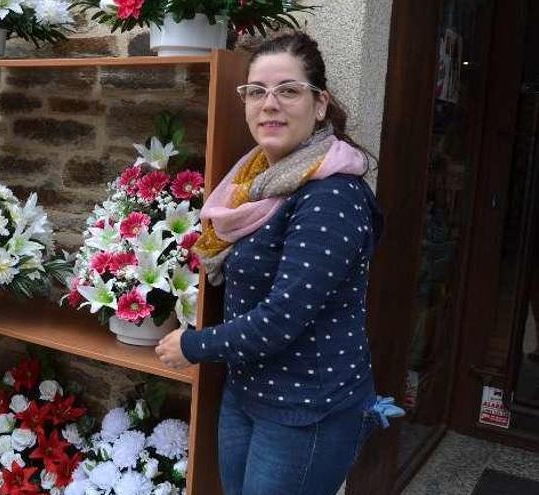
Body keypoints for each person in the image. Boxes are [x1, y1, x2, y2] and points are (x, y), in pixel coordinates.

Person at [155, 32, 401, 495]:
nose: (269, 104)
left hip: (306, 410)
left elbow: (281, 319)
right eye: (256, 92)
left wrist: (192, 346)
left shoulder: (331, 196)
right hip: (248, 393)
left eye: (288, 90)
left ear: (320, 104)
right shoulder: (254, 183)